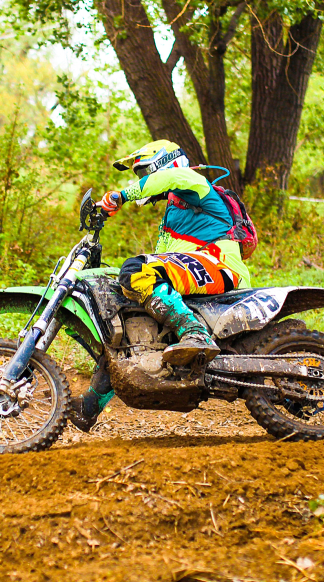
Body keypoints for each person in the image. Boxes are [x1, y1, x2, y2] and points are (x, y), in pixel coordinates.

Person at [69, 139, 251, 432]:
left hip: (219, 266)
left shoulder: (193, 182)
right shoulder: (174, 212)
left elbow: (171, 178)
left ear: (162, 164)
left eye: (143, 173)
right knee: (122, 313)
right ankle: (89, 407)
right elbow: (157, 263)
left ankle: (194, 334)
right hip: (194, 270)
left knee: (135, 268)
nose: (142, 180)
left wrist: (122, 194)